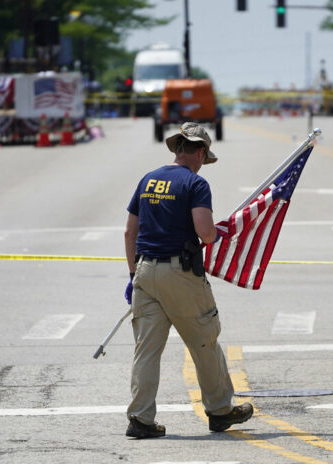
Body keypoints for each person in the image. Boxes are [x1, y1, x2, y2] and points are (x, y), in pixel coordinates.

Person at [123, 122, 253, 438]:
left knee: (147, 349)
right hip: (179, 275)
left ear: (176, 148)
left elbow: (130, 231)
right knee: (204, 341)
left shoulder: (149, 179)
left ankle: (140, 418)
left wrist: (132, 275)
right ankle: (221, 410)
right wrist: (220, 231)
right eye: (204, 156)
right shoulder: (195, 184)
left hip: (145, 272)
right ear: (199, 151)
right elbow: (205, 232)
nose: (202, 162)